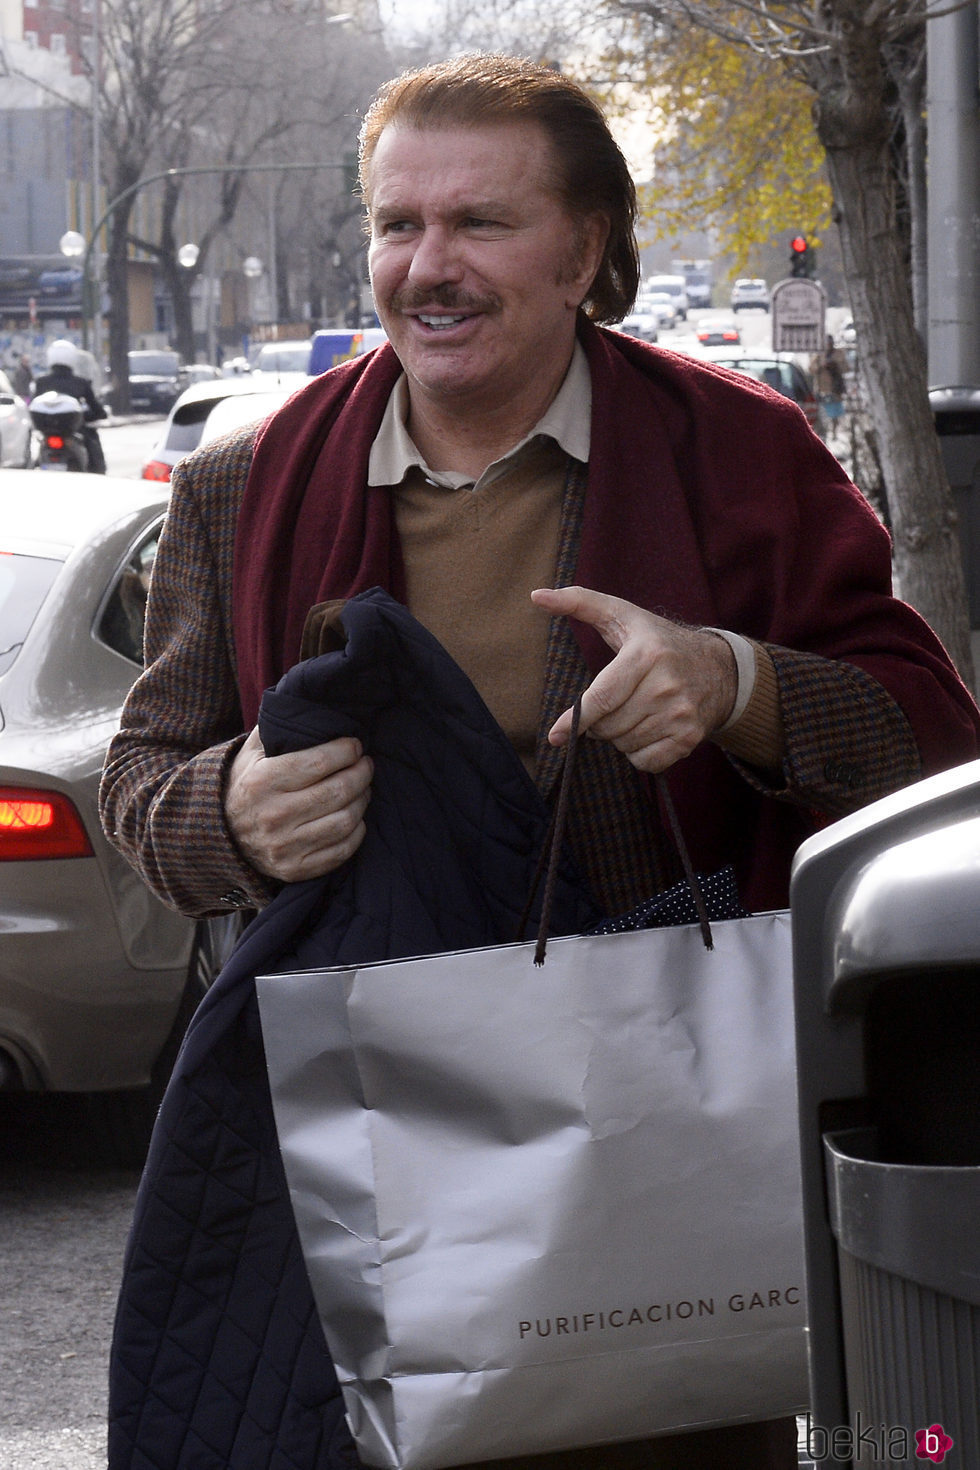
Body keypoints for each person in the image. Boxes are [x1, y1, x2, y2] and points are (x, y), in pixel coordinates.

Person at [99, 54, 980, 1470]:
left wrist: (734, 682)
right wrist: (235, 806)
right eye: (399, 225)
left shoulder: (747, 457)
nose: (426, 266)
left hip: (662, 1133)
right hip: (364, 1143)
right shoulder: (239, 486)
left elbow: (933, 755)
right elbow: (140, 781)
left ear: (587, 250)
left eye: (480, 224)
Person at [32, 338, 107, 472]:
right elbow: (96, 408)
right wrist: (98, 414)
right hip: (75, 431)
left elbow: (33, 405)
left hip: (46, 432)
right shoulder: (81, 382)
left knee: (33, 460)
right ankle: (98, 475)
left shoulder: (41, 382)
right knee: (93, 446)